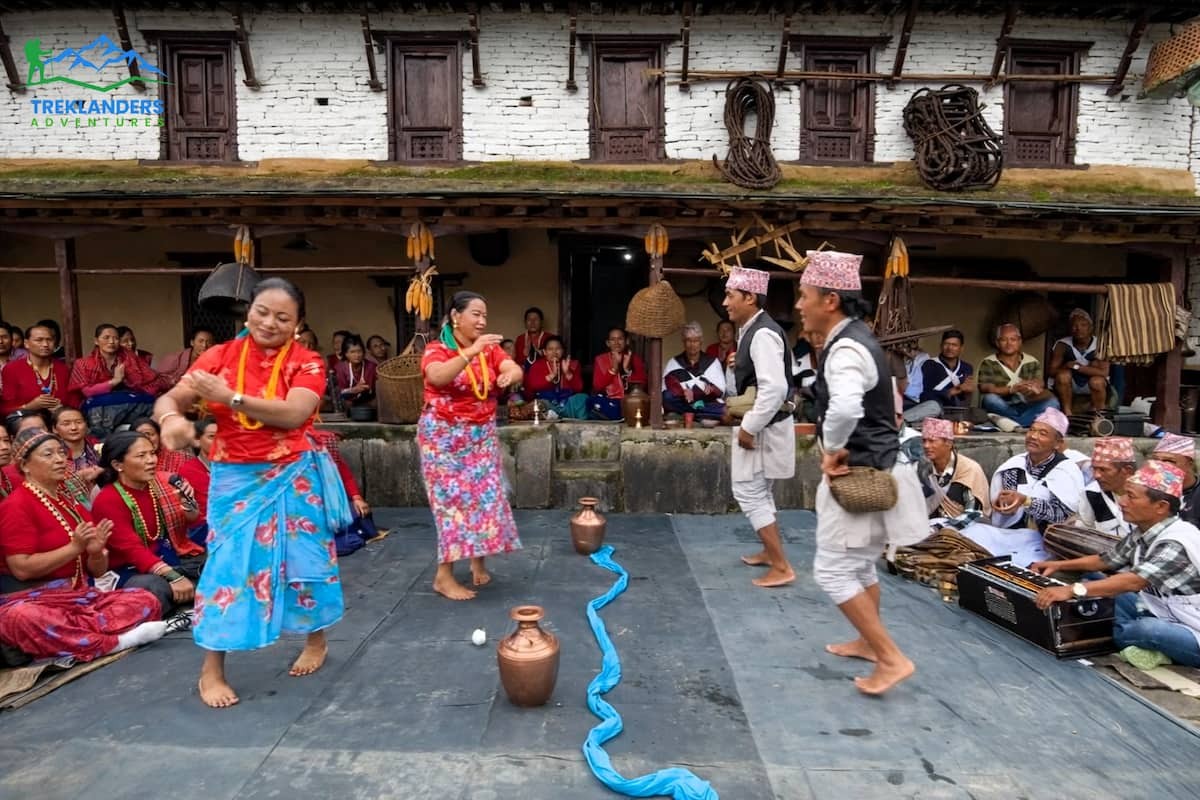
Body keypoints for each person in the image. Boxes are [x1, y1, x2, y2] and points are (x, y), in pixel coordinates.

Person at [153, 277, 352, 709]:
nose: (270, 322)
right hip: (234, 478)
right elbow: (173, 397)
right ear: (248, 311)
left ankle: (315, 639)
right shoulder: (220, 355)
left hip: (293, 473)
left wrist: (231, 398)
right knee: (227, 567)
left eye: (283, 317)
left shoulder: (308, 362)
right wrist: (170, 420)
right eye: (262, 311)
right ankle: (212, 668)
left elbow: (295, 412)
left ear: (297, 325)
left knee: (306, 560)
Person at [796, 250, 927, 695]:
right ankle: (868, 643)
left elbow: (848, 405)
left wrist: (833, 449)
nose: (799, 305)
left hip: (861, 470)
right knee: (863, 564)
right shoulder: (858, 339)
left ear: (830, 300)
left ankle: (890, 657)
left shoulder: (846, 347)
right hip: (882, 461)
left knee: (834, 571)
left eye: (804, 295)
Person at [0, 429, 170, 663]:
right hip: (32, 600)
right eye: (48, 454)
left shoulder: (69, 503)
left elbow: (97, 571)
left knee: (145, 599)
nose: (60, 459)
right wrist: (74, 547)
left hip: (79, 598)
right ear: (26, 465)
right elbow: (21, 568)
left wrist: (95, 552)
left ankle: (71, 639)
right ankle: (114, 642)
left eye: (61, 453)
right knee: (23, 617)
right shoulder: (16, 505)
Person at [1031, 461, 1200, 669]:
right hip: (1163, 610)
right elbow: (1105, 560)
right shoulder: (1145, 530)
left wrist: (1071, 589)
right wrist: (1059, 566)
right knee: (1093, 581)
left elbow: (1134, 581)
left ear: (1161, 507)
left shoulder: (1175, 542)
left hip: (1194, 627)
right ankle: (1131, 635)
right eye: (1125, 494)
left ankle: (1130, 636)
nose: (1122, 502)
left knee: (1147, 630)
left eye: (1131, 496)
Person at [419, 290, 524, 601]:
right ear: (455, 317)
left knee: (484, 500)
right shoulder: (437, 349)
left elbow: (513, 368)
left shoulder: (489, 350)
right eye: (476, 314)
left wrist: (509, 376)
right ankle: (444, 576)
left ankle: (478, 560)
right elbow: (436, 377)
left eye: (484, 316)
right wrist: (470, 352)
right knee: (453, 505)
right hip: (443, 439)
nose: (482, 320)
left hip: (480, 436)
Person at [721, 267, 797, 589]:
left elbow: (775, 389)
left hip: (764, 427)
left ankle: (781, 566)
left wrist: (749, 427)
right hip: (768, 425)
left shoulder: (763, 333)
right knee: (760, 492)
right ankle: (770, 552)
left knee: (748, 492)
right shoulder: (753, 331)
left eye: (730, 295)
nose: (725, 303)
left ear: (750, 297)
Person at [90, 430, 203, 614]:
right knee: (154, 589)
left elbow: (193, 521)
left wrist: (186, 503)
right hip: (129, 570)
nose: (151, 460)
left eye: (152, 453)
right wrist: (173, 577)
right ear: (118, 464)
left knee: (215, 571)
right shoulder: (108, 499)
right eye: (141, 456)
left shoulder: (158, 486)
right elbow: (133, 550)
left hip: (166, 559)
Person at [959, 408, 1084, 566]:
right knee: (971, 534)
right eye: (1032, 430)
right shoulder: (1014, 466)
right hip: (1010, 533)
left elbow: (1061, 515)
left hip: (1045, 542)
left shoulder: (1066, 470)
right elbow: (1006, 502)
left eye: (1043, 433)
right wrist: (1005, 505)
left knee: (1014, 564)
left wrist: (1026, 501)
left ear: (1058, 443)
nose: (1033, 436)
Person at [69, 323, 171, 438]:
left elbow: (149, 380)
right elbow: (87, 392)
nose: (111, 342)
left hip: (133, 406)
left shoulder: (130, 359)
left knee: (158, 410)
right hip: (99, 410)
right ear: (96, 341)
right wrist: (115, 381)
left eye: (116, 338)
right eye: (106, 337)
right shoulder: (83, 363)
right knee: (99, 429)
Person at [977, 323, 1059, 429]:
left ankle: (1012, 423)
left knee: (1053, 403)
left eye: (1013, 339)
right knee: (989, 399)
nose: (1009, 343)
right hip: (1003, 406)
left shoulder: (1031, 361)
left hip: (1027, 405)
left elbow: (1039, 382)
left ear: (1020, 342)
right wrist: (1012, 389)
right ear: (997, 343)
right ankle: (1026, 422)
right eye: (1004, 340)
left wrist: (1032, 386)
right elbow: (986, 388)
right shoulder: (989, 362)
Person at [919, 417, 991, 528]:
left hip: (963, 534)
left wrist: (940, 529)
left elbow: (973, 514)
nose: (926, 446)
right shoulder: (922, 469)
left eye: (932, 441)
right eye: (924, 441)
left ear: (948, 443)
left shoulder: (969, 469)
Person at [0, 324, 78, 415]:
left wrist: (62, 409)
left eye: (49, 340)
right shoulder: (12, 369)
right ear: (26, 343)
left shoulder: (62, 368)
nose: (45, 344)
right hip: (25, 420)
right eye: (39, 340)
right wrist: (29, 407)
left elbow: (74, 401)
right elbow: (5, 409)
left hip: (59, 420)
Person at [1049, 309, 1111, 417]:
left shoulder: (1100, 345)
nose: (1078, 329)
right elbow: (1051, 371)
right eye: (1074, 325)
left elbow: (1104, 373)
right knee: (1063, 376)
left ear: (1090, 328)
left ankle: (1100, 415)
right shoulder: (1062, 344)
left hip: (1090, 383)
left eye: (1083, 325)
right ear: (1070, 328)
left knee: (1097, 381)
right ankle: (1067, 414)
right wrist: (1066, 366)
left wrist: (1077, 367)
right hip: (1071, 383)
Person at [1075, 436, 1137, 537]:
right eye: (1094, 469)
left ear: (1127, 470)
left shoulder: (1147, 495)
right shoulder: (1091, 494)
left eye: (1103, 470)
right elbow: (1083, 532)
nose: (1096, 476)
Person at [663, 321, 726, 420]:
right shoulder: (674, 362)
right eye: (688, 340)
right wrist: (682, 392)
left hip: (705, 402)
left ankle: (690, 413)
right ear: (683, 342)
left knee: (721, 408)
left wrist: (708, 389)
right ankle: (701, 413)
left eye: (696, 340)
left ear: (701, 342)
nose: (692, 344)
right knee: (667, 397)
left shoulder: (712, 362)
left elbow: (721, 389)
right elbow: (666, 385)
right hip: (684, 401)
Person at [523, 335, 588, 419]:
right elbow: (533, 386)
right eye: (550, 349)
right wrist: (551, 375)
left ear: (563, 351)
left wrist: (568, 373)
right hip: (547, 404)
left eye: (558, 348)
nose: (554, 352)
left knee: (583, 398)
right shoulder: (537, 366)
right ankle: (551, 415)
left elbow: (579, 388)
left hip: (567, 404)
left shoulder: (572, 364)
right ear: (545, 352)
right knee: (536, 405)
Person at [590, 327, 646, 421]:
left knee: (638, 404)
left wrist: (626, 369)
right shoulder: (600, 359)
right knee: (590, 400)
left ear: (627, 341)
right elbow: (597, 386)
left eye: (620, 339)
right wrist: (613, 370)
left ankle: (614, 414)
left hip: (629, 401)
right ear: (608, 343)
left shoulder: (635, 359)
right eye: (612, 339)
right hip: (608, 400)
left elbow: (642, 385)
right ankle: (617, 414)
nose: (616, 342)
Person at [179, 417, 217, 546]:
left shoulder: (232, 468)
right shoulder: (188, 470)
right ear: (197, 440)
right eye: (212, 437)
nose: (218, 442)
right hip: (201, 530)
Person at [1148, 433, 1200, 527]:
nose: (1160, 466)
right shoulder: (1148, 490)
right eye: (1156, 460)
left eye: (1169, 461)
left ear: (1189, 463)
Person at [920, 330, 975, 409]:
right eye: (946, 344)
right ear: (941, 346)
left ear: (961, 348)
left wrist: (967, 391)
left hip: (957, 410)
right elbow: (923, 396)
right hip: (933, 408)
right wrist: (949, 392)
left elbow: (965, 399)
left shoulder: (966, 367)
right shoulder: (929, 364)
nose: (950, 348)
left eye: (954, 345)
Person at [52, 406, 102, 484]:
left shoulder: (99, 446)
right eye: (66, 424)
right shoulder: (51, 454)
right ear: (54, 429)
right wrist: (77, 477)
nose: (74, 427)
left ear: (86, 425)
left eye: (79, 422)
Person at [334, 333, 378, 409]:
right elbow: (340, 391)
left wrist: (364, 388)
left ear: (363, 352)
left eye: (359, 351)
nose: (357, 355)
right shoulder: (340, 368)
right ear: (346, 354)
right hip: (348, 400)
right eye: (352, 352)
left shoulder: (371, 367)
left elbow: (372, 389)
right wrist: (354, 390)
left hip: (368, 400)